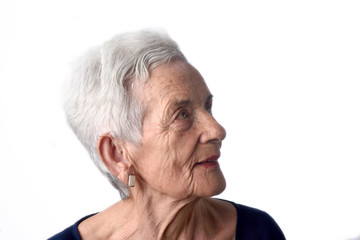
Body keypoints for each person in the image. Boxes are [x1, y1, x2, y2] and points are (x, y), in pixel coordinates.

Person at [49, 30, 286, 240]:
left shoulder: (259, 231)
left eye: (208, 107)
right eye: (181, 115)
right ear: (117, 154)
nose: (217, 130)